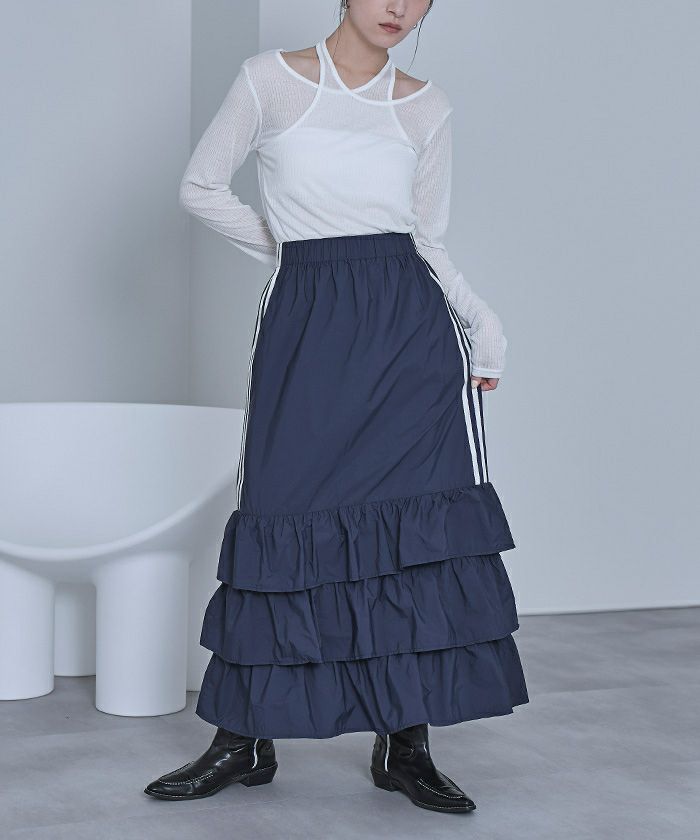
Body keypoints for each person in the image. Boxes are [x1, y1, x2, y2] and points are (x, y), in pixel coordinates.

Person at [144, 0, 528, 814]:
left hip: (410, 334)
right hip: (309, 327)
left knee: (412, 536)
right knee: (279, 513)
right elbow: (199, 186)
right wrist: (295, 254)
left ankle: (406, 744)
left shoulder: (425, 104)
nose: (399, 7)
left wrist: (482, 321)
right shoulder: (270, 81)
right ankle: (243, 739)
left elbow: (426, 237)